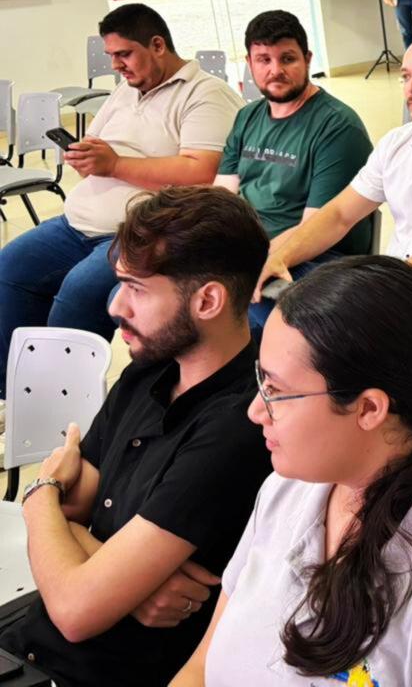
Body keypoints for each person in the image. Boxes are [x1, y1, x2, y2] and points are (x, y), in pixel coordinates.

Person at [171, 257, 412, 686]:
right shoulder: (289, 486)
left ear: (369, 409)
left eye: (276, 391)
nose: (255, 411)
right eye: (261, 380)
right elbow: (201, 668)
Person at [0, 186, 274, 686]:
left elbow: (76, 608)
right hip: (34, 639)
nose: (115, 306)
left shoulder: (239, 427)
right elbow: (76, 505)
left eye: (137, 288)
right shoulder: (152, 366)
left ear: (208, 300)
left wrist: (38, 495)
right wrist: (126, 584)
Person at [0, 3, 242, 399]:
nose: (115, 65)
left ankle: (61, 405)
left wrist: (113, 164)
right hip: (76, 224)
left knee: (77, 292)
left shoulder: (206, 94)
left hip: (141, 232)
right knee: (10, 266)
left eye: (124, 54)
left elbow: (202, 170)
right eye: (111, 55)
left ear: (158, 45)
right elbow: (97, 146)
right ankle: (12, 393)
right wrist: (86, 157)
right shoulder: (125, 92)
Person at [252, 37, 412, 343]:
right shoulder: (397, 143)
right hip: (388, 292)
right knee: (257, 297)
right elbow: (339, 215)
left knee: (304, 336)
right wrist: (280, 257)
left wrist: (354, 302)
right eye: (406, 76)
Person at [213, 10, 373, 330]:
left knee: (240, 316)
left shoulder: (337, 127)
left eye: (287, 59)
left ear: (308, 59)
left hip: (314, 257)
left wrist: (241, 266)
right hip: (252, 251)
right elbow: (221, 197)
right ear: (249, 63)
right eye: (264, 60)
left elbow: (315, 226)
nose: (276, 70)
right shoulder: (247, 117)